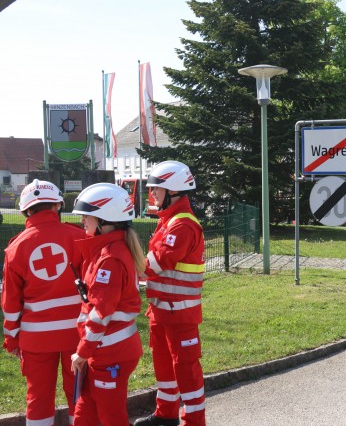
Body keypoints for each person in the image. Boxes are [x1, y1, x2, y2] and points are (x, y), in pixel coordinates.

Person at [1, 179, 84, 426]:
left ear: (26, 210)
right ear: (58, 205)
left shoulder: (16, 248)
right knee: (79, 394)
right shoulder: (79, 237)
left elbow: (10, 303)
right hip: (77, 333)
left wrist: (11, 338)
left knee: (38, 397)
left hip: (36, 338)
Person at [134, 161, 205, 426]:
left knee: (186, 371)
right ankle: (165, 415)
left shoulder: (182, 225)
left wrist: (124, 263)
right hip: (162, 310)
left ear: (173, 192)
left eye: (156, 190)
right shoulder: (168, 221)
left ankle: (194, 421)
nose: (152, 194)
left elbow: (157, 262)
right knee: (164, 367)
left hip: (180, 313)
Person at [70, 183, 146, 425]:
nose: (83, 221)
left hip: (110, 353)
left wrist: (82, 353)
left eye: (86, 216)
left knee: (111, 417)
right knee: (85, 414)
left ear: (104, 219)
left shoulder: (110, 260)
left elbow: (101, 314)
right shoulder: (107, 251)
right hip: (104, 351)